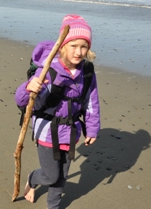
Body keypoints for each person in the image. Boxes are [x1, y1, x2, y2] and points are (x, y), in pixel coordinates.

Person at [14, 14, 100, 209]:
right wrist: (29, 87)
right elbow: (21, 101)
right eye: (73, 45)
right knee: (51, 174)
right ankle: (33, 179)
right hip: (47, 130)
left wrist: (92, 128)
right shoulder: (48, 70)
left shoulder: (86, 72)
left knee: (62, 174)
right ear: (62, 46)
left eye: (84, 46)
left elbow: (91, 101)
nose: (79, 52)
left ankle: (53, 206)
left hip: (71, 132)